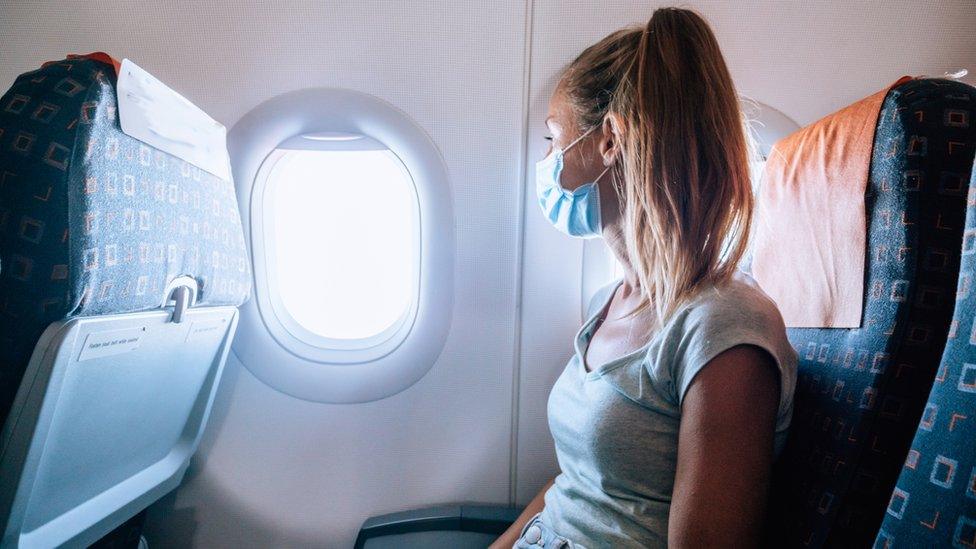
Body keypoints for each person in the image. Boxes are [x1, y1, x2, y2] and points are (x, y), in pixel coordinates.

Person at [490, 7, 799, 548]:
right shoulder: (608, 302)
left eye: (552, 138)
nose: (545, 160)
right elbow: (577, 485)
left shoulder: (724, 328)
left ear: (608, 140)